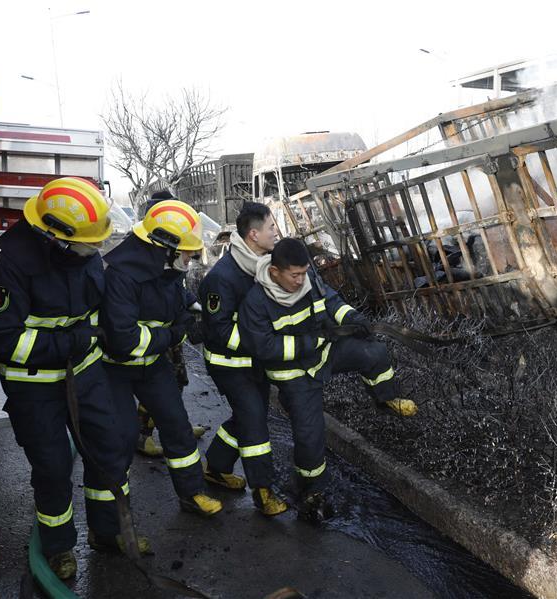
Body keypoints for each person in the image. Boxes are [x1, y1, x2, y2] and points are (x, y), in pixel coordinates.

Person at [0, 177, 149, 580]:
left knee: (110, 448)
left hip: (85, 371)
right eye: (90, 243)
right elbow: (8, 343)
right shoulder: (11, 266)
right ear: (55, 239)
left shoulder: (83, 250)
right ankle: (59, 548)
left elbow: (93, 308)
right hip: (34, 385)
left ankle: (107, 532)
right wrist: (73, 340)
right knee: (54, 466)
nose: (97, 249)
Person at [238, 237, 417, 516]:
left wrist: (353, 319)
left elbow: (333, 302)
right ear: (275, 272)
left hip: (325, 353)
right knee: (310, 437)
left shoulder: (310, 279)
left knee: (374, 352)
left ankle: (386, 399)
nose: (300, 281)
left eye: (303, 273)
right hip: (295, 376)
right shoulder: (256, 302)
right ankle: (311, 490)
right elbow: (264, 347)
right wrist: (310, 342)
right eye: (294, 275)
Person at [100, 198, 222, 518]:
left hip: (152, 366)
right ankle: (113, 522)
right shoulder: (122, 276)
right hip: (116, 370)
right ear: (164, 246)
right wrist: (174, 334)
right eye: (186, 251)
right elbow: (125, 340)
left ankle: (192, 493)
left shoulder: (164, 266)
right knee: (120, 440)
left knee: (177, 426)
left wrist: (196, 310)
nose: (190, 257)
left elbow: (175, 294)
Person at [200, 202, 288, 516]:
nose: (275, 232)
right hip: (230, 365)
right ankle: (263, 492)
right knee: (253, 422)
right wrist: (263, 345)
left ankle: (216, 466)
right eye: (270, 228)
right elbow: (219, 330)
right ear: (253, 234)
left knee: (249, 415)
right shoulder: (222, 278)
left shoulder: (261, 265)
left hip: (254, 361)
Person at [133, 190, 206, 458]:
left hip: (170, 329)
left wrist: (190, 303)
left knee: (176, 383)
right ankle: (142, 434)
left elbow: (176, 285)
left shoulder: (172, 248)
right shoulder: (152, 248)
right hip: (154, 334)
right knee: (158, 389)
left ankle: (178, 427)